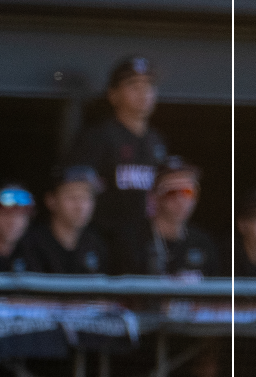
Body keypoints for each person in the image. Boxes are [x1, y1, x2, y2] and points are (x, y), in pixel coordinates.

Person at [65, 55, 169, 250]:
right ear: (113, 95)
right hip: (105, 240)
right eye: (133, 85)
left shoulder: (157, 141)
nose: (143, 92)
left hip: (145, 242)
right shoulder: (98, 137)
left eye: (148, 85)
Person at [114, 157, 217, 279]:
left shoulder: (202, 243)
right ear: (154, 197)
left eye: (187, 192)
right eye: (171, 192)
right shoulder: (131, 241)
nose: (181, 200)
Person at [20, 165, 108, 275]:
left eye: (86, 197)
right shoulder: (32, 245)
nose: (80, 206)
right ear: (51, 201)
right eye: (71, 197)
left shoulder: (95, 244)